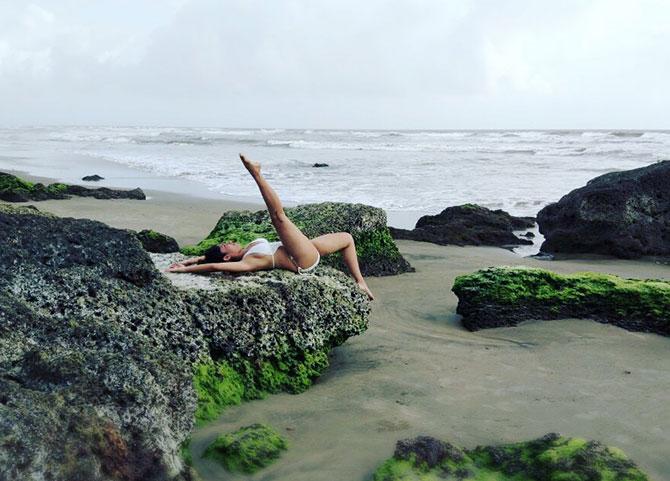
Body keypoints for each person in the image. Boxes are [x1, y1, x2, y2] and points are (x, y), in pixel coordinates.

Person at [167, 154, 375, 300]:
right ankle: (256, 174)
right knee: (278, 217)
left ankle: (360, 281)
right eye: (225, 246)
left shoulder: (246, 249)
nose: (228, 242)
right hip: (301, 259)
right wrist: (184, 271)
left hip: (306, 248)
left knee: (347, 238)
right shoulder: (248, 263)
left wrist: (188, 261)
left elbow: (208, 259)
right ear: (228, 257)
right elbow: (214, 266)